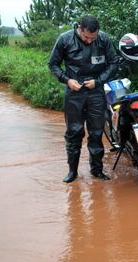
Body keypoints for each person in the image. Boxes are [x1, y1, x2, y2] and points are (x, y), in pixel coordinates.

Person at [48, 16, 119, 183]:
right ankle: (72, 172)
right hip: (74, 92)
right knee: (74, 132)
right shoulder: (65, 39)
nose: (89, 41)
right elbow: (53, 64)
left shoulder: (103, 39)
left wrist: (99, 81)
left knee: (96, 132)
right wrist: (67, 80)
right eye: (86, 37)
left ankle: (97, 171)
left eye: (92, 38)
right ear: (79, 28)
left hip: (96, 91)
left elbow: (113, 63)